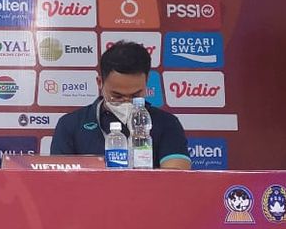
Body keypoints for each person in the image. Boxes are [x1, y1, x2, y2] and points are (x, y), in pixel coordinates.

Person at [50, 41, 192, 169]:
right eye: (117, 96)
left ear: (146, 81)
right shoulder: (70, 124)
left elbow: (176, 177)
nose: (126, 102)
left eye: (135, 95)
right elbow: (60, 180)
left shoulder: (167, 122)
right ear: (100, 82)